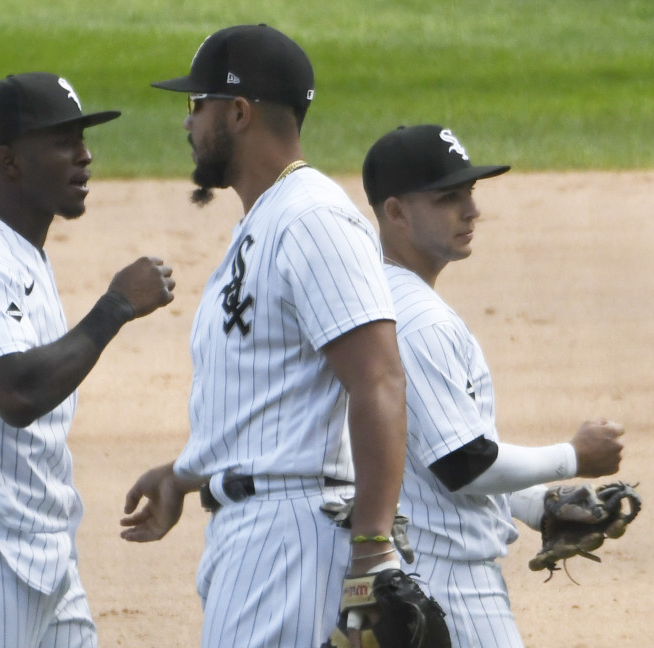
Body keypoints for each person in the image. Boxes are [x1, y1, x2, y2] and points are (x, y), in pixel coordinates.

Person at [118, 25, 410, 647]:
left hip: (292, 541)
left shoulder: (312, 218)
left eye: (196, 106)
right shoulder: (266, 220)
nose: (188, 124)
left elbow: (378, 378)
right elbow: (268, 399)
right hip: (257, 534)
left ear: (239, 112)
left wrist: (373, 548)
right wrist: (183, 474)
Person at [0, 72, 176, 648]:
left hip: (34, 542)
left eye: (83, 140)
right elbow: (16, 395)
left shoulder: (16, 250)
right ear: (10, 161)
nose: (85, 156)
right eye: (64, 141)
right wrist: (116, 306)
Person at [360, 123, 625, 646]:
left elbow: (430, 452)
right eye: (448, 198)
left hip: (406, 568)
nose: (472, 210)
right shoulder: (418, 321)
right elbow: (465, 463)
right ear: (396, 212)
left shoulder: (372, 299)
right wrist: (574, 457)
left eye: (471, 192)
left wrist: (533, 505)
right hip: (447, 584)